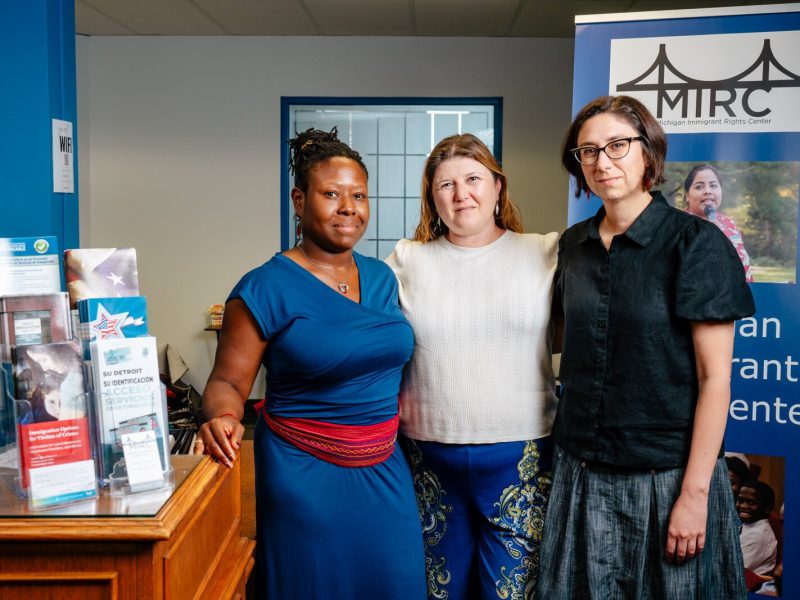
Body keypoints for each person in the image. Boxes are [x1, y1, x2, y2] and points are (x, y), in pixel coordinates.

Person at [537, 95, 756, 599]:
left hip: (668, 476)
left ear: (648, 154)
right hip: (581, 469)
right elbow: (562, 340)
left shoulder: (696, 243)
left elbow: (715, 380)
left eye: (617, 145)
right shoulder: (573, 245)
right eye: (587, 151)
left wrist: (695, 496)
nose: (602, 161)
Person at [196, 128, 426, 598]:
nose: (349, 207)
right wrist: (221, 415)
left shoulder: (383, 277)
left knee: (396, 583)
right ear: (299, 201)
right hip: (304, 470)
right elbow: (225, 381)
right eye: (332, 194)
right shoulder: (264, 287)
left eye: (359, 195)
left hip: (385, 465)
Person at [386, 133, 559, 599]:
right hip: (428, 459)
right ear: (431, 197)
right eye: (446, 185)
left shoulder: (546, 252)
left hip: (521, 460)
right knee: (439, 592)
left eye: (473, 179)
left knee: (513, 593)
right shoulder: (407, 260)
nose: (461, 195)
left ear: (498, 186)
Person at [684, 164, 753, 282]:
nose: (707, 191)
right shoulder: (677, 223)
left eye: (713, 186)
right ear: (687, 196)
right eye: (699, 187)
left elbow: (744, 264)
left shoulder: (728, 223)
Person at [737, 480, 778, 576]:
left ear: (767, 508)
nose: (743, 506)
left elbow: (734, 569)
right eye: (740, 500)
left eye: (751, 502)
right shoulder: (749, 525)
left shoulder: (758, 535)